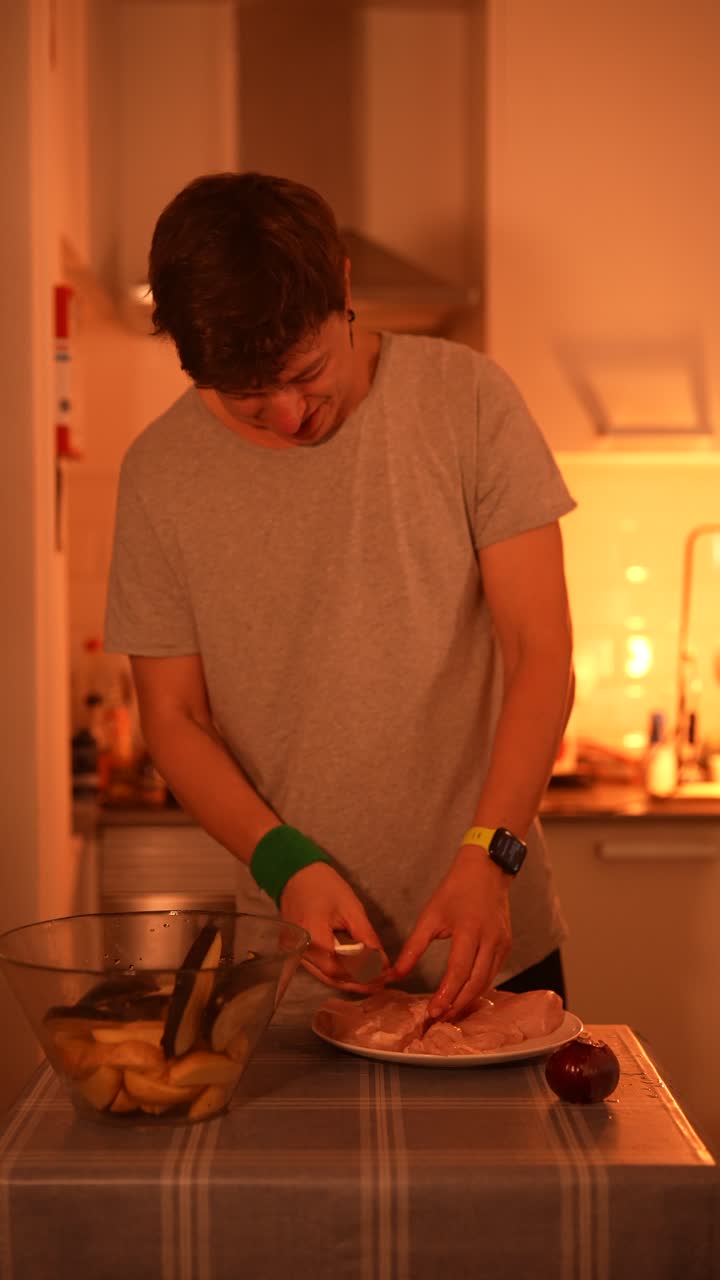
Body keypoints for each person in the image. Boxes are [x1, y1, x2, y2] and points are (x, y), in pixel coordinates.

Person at [104, 171, 576, 1023]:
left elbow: (540, 652)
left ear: (344, 288)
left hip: (490, 940)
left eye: (306, 373)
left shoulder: (467, 400)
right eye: (248, 400)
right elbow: (172, 719)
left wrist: (490, 858)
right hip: (295, 957)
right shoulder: (157, 472)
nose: (289, 419)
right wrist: (285, 865)